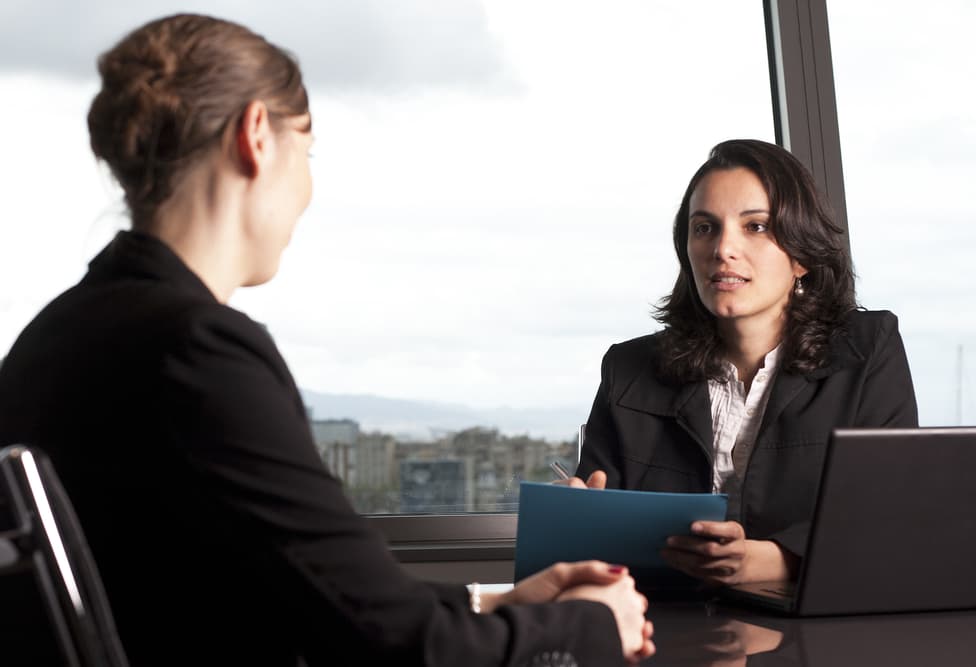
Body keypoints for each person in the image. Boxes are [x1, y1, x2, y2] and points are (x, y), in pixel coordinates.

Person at [0, 14, 655, 666]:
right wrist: (589, 625)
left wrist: (502, 601)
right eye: (306, 153)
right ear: (256, 134)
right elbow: (399, 649)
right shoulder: (195, 352)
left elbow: (309, 597)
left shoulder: (55, 337)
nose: (308, 189)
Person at [567, 139, 918, 587]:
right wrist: (571, 518)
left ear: (802, 255)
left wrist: (766, 561)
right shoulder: (629, 367)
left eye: (755, 227)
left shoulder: (868, 350)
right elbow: (596, 532)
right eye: (704, 228)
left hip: (813, 630)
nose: (723, 249)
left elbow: (888, 517)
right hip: (662, 631)